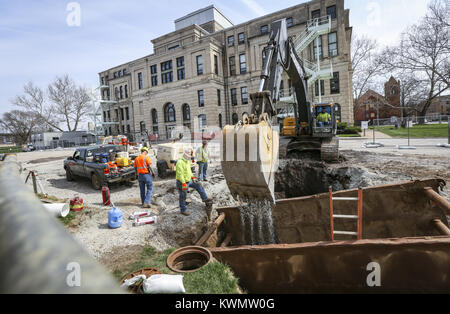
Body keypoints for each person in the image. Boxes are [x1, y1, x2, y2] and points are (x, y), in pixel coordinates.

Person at [176, 148, 212, 216]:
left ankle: (205, 198)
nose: (189, 158)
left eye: (190, 156)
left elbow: (189, 171)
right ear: (184, 155)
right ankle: (183, 210)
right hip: (182, 182)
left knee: (198, 184)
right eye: (188, 156)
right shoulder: (179, 162)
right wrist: (183, 183)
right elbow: (180, 174)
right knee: (183, 195)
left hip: (189, 180)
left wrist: (193, 177)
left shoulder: (187, 161)